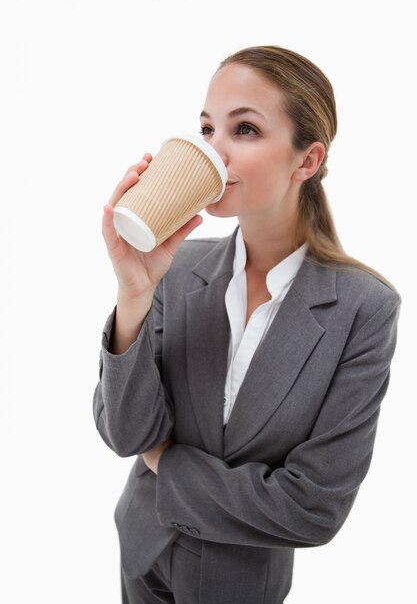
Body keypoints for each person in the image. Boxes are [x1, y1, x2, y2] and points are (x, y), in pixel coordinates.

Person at [93, 45, 401, 603]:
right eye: (207, 128)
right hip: (141, 553)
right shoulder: (179, 269)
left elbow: (313, 508)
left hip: (238, 585)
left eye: (246, 130)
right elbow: (127, 435)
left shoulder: (364, 308)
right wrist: (134, 291)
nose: (214, 152)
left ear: (306, 161)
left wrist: (167, 462)